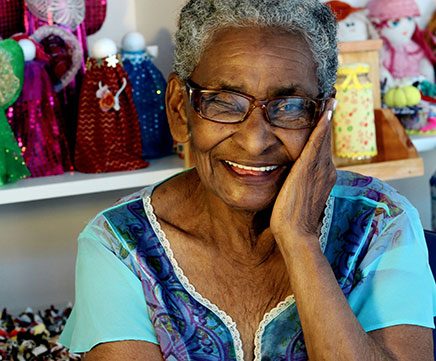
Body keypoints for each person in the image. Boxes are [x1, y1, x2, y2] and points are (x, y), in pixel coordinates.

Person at [59, 0, 436, 360]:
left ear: (324, 117)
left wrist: (299, 239)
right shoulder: (120, 245)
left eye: (289, 106)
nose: (255, 142)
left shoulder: (380, 223)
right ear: (179, 109)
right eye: (224, 101)